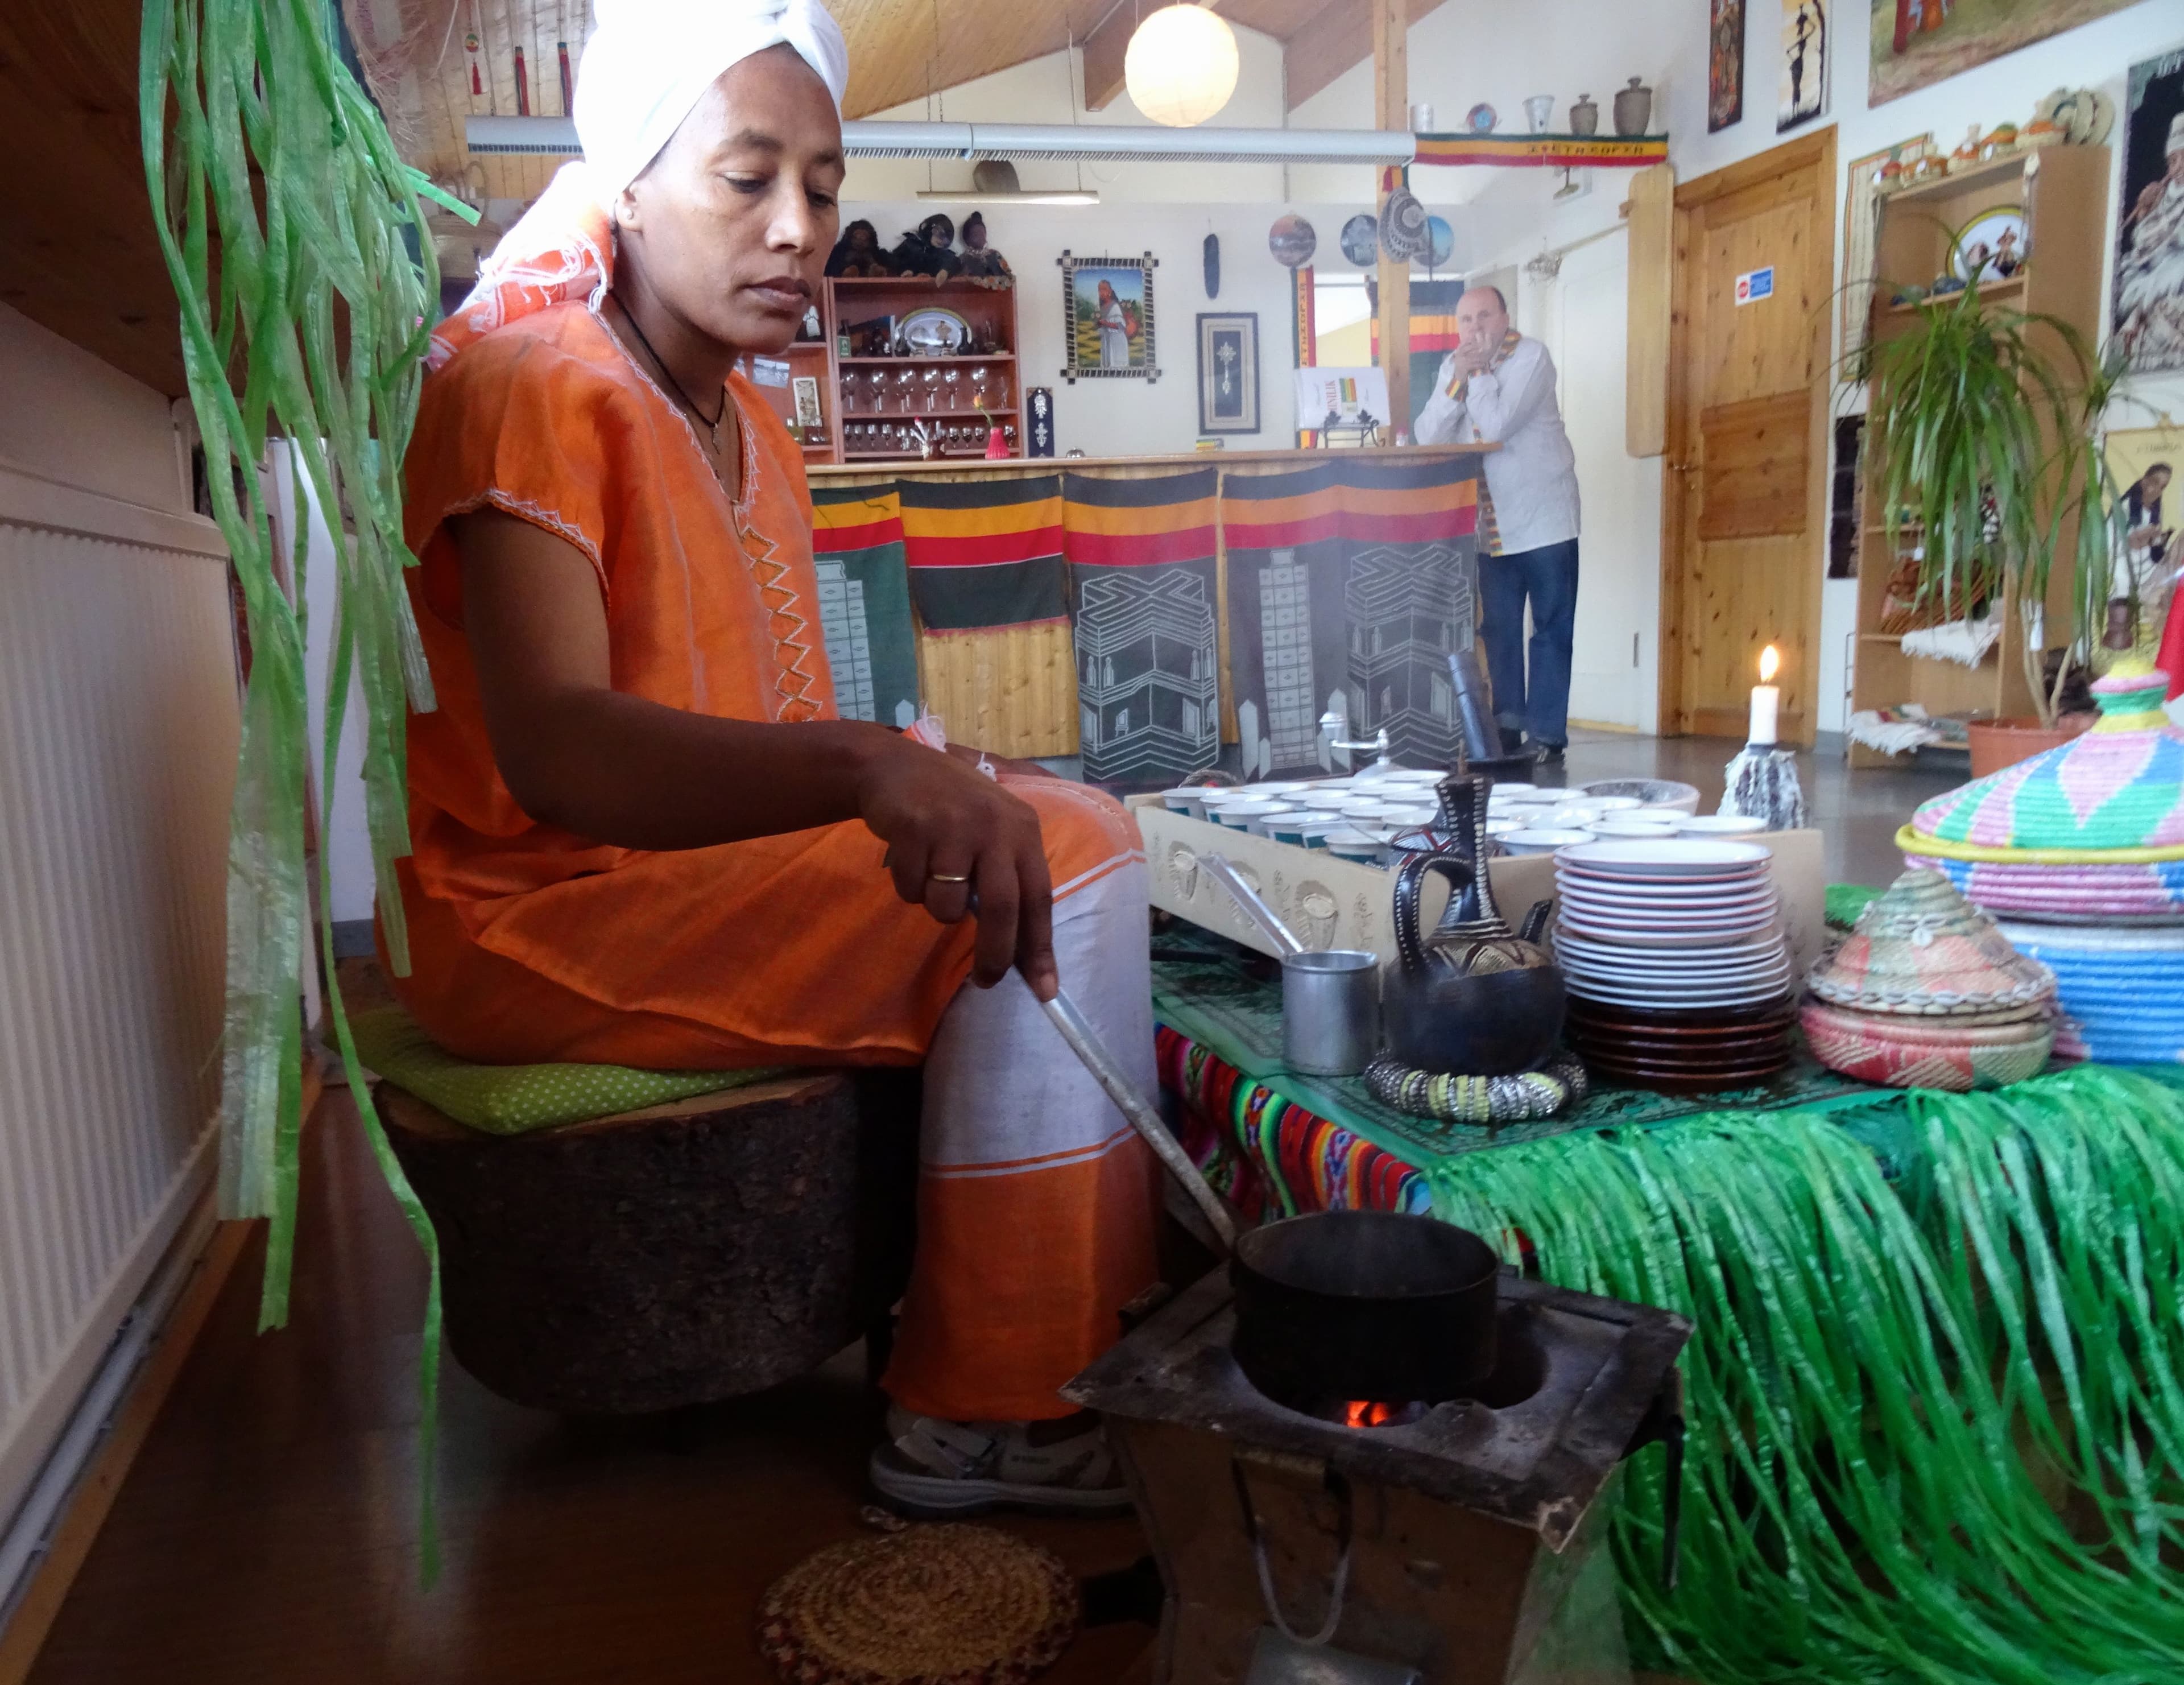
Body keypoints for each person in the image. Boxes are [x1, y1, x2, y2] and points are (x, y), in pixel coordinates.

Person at [400, 0, 1155, 1517]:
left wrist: (934, 765)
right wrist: (868, 769)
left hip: (686, 889)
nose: (798, 228)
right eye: (747, 179)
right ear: (627, 184)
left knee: (1065, 814)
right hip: (537, 920)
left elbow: (758, 729)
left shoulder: (753, 427)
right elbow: (561, 756)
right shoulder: (533, 387)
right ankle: (986, 1413)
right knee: (1063, 867)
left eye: (822, 184)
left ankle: (1062, 1310)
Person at [1413, 285, 1583, 765]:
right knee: (1500, 631)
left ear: (1505, 318)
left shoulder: (1531, 358)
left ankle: (1547, 735)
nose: (1475, 329)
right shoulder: (1454, 366)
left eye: (1484, 317)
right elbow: (1429, 437)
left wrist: (1480, 373)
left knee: (1550, 628)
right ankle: (1507, 730)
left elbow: (1495, 427)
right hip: (1491, 526)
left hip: (1545, 519)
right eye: (1466, 320)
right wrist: (1456, 381)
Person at [2118, 114, 2184, 374]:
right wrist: (2145, 213)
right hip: (2153, 272)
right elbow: (2142, 243)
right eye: (2173, 160)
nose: (2178, 167)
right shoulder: (2166, 196)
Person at [1093, 278, 1134, 368]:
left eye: (1104, 289)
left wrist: (1105, 323)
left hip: (1117, 341)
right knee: (1107, 365)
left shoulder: (1114, 306)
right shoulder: (1102, 308)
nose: (1102, 292)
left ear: (1110, 292)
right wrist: (1099, 324)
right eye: (1100, 290)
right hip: (1107, 340)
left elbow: (1120, 326)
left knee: (1117, 365)